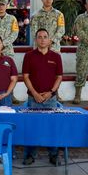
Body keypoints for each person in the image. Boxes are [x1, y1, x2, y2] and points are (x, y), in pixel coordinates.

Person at [21, 29, 63, 166]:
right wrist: (34, 93)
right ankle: (30, 155)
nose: (42, 39)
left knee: (52, 127)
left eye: (45, 37)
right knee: (33, 128)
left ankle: (54, 155)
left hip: (50, 99)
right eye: (39, 37)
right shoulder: (29, 56)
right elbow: (25, 76)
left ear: (49, 40)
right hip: (34, 99)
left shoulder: (56, 57)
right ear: (36, 40)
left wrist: (51, 92)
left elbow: (59, 77)